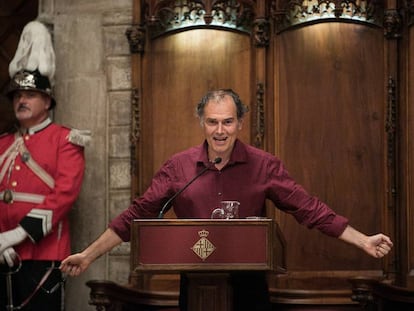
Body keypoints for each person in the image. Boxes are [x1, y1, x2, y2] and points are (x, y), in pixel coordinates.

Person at [60, 89, 393, 310]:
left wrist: (362, 240)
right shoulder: (179, 167)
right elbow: (135, 216)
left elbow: (310, 209)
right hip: (195, 286)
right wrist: (88, 255)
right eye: (213, 122)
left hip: (250, 288)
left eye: (228, 122)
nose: (220, 130)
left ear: (240, 123)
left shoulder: (265, 165)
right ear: (202, 123)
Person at [0, 21, 90, 311]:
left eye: (29, 95)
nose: (21, 100)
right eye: (17, 96)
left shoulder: (66, 140)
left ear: (48, 101)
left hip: (43, 252)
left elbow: (63, 196)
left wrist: (16, 235)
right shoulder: (2, 143)